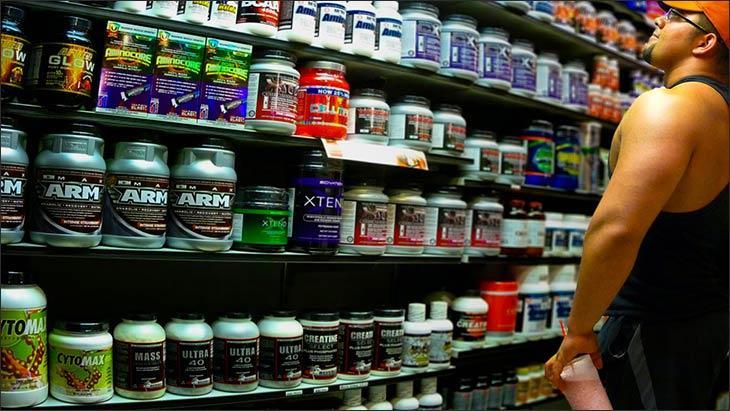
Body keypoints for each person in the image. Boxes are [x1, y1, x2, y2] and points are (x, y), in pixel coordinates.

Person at [545, 1, 729, 409]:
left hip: (652, 330)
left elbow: (617, 229)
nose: (659, 19)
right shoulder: (721, 115)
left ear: (705, 42)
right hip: (705, 328)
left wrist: (579, 331)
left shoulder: (669, 106)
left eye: (675, 15)